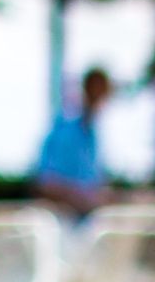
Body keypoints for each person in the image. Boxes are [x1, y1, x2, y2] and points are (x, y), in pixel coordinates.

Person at [35, 68, 113, 215]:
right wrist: (85, 200)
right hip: (62, 220)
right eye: (96, 90)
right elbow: (46, 185)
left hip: (87, 220)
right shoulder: (65, 131)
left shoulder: (94, 135)